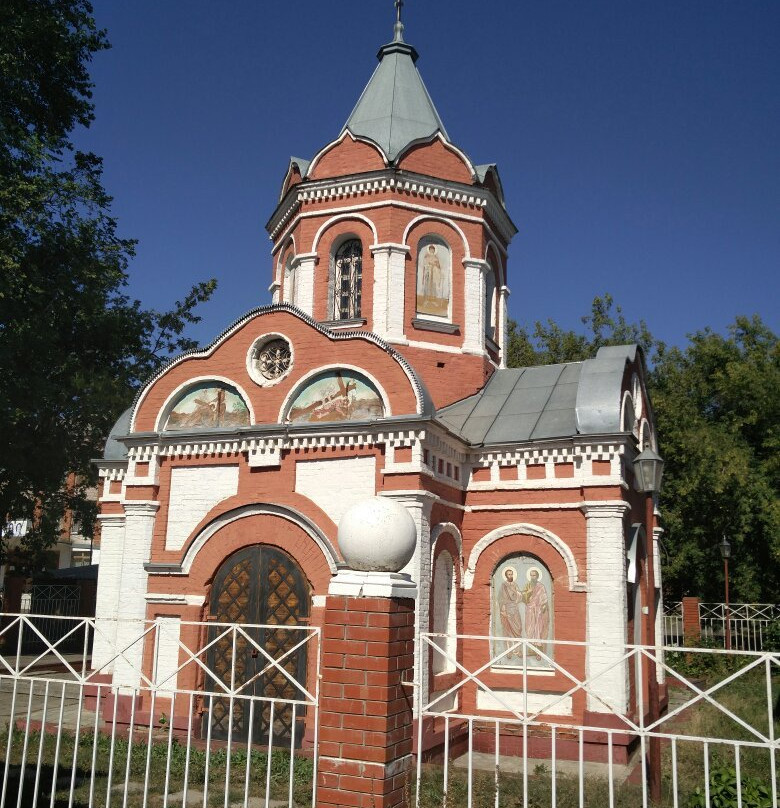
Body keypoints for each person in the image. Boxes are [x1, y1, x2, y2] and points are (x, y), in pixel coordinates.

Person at [522, 568, 549, 655]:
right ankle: (531, 650)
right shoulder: (527, 585)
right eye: (531, 575)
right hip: (529, 610)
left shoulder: (541, 586)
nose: (532, 577)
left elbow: (544, 598)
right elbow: (523, 598)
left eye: (534, 575)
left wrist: (543, 606)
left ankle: (538, 650)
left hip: (538, 611)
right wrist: (528, 593)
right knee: (529, 629)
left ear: (537, 576)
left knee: (538, 629)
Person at [497, 567, 524, 657]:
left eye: (511, 574)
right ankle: (509, 651)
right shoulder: (503, 585)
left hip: (515, 609)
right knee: (507, 630)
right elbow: (500, 598)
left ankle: (518, 650)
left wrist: (518, 594)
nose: (510, 576)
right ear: (506, 575)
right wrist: (503, 607)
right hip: (506, 609)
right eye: (509, 574)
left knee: (518, 628)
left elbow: (520, 596)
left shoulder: (515, 585)